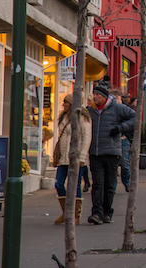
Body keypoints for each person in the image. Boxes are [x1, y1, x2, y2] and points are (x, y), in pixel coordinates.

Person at [87, 79, 136, 225]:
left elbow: (134, 117)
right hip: (95, 152)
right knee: (97, 184)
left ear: (104, 96)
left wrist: (120, 128)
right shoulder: (91, 111)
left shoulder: (117, 108)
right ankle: (97, 213)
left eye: (97, 95)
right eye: (93, 94)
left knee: (109, 184)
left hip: (111, 152)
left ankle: (107, 212)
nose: (94, 97)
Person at [53, 93, 91, 225]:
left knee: (75, 186)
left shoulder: (82, 117)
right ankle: (66, 212)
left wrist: (82, 157)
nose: (63, 104)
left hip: (75, 157)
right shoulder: (64, 116)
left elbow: (86, 138)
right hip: (64, 157)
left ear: (72, 104)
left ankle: (75, 215)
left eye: (66, 102)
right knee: (58, 184)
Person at [110, 88, 130, 193]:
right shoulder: (108, 110)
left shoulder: (124, 109)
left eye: (119, 99)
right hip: (112, 139)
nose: (119, 101)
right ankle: (113, 187)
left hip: (122, 139)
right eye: (117, 99)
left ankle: (127, 183)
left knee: (124, 164)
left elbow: (131, 122)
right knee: (112, 165)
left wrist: (124, 133)